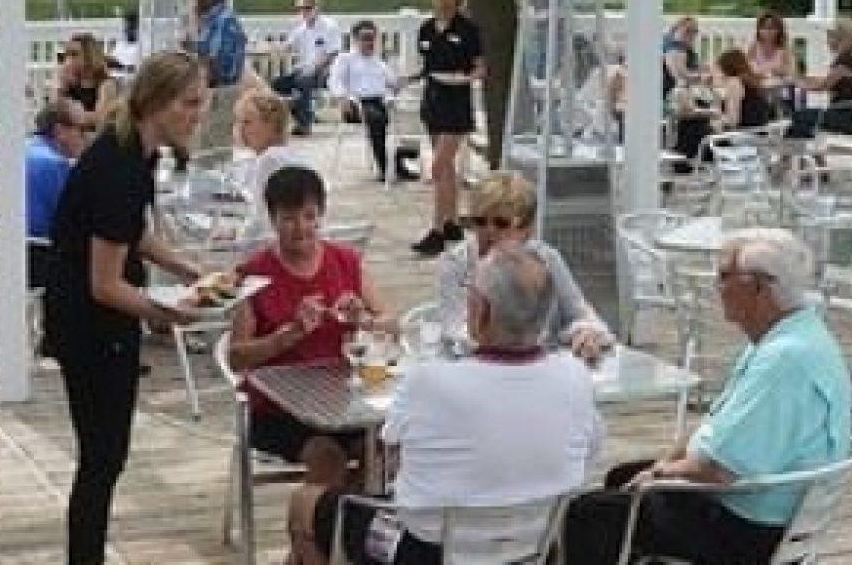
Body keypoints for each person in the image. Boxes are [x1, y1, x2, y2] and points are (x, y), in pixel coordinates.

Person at [289, 246, 602, 565]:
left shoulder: (429, 381)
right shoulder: (576, 379)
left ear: (482, 312)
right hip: (535, 545)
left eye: (471, 294)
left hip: (423, 552)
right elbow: (590, 453)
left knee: (305, 504)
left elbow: (390, 450)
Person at [562, 228, 852, 565]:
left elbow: (719, 470)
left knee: (588, 515)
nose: (716, 287)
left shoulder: (784, 360)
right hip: (759, 498)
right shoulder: (794, 333)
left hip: (750, 525)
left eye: (724, 276)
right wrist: (664, 464)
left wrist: (659, 475)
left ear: (757, 287)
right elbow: (718, 424)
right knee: (620, 480)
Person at [42, 51, 209, 565]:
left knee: (104, 456)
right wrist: (167, 313)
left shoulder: (134, 150)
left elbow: (129, 231)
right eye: (190, 103)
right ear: (156, 103)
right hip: (90, 326)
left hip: (87, 317)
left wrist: (188, 271)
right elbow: (105, 284)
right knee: (102, 457)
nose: (198, 113)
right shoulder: (119, 168)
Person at [229, 165, 395, 467]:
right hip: (277, 408)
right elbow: (236, 357)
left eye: (309, 216)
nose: (300, 228)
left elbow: (392, 324)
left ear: (321, 214)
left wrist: (364, 320)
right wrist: (288, 334)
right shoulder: (254, 274)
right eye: (288, 219)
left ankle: (343, 512)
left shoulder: (346, 261)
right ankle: (332, 509)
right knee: (327, 459)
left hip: (341, 398)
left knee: (388, 451)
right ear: (273, 219)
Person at [439, 171, 612, 356]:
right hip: (480, 364)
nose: (488, 231)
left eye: (501, 223)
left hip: (542, 364)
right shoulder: (457, 261)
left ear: (527, 229)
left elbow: (581, 312)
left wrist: (585, 333)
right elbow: (454, 329)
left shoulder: (546, 259)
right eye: (479, 221)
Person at [0, 97, 85, 289]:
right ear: (60, 131)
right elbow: (73, 223)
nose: (86, 136)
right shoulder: (54, 164)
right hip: (22, 254)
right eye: (82, 129)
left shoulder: (22, 147)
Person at [410, 0, 484, 258]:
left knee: (439, 166)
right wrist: (407, 79)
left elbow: (480, 67)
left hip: (456, 105)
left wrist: (466, 78)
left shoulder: (467, 29)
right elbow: (427, 67)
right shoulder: (426, 29)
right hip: (433, 103)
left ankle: (437, 230)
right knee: (447, 170)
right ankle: (452, 222)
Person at [328, 20, 417, 183]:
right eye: (365, 38)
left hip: (380, 103)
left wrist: (405, 81)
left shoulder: (379, 63)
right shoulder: (345, 58)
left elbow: (393, 83)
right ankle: (388, 166)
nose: (369, 42)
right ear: (355, 39)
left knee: (392, 117)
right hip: (355, 104)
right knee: (377, 119)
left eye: (372, 38)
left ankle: (398, 160)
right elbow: (335, 81)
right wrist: (342, 97)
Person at [229, 90, 305, 239]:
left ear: (271, 126)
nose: (239, 128)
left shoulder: (270, 159)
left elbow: (260, 218)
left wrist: (236, 236)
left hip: (277, 244)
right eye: (238, 121)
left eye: (247, 122)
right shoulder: (290, 154)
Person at [272, 0, 342, 136]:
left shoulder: (329, 26)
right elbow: (288, 46)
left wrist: (314, 68)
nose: (304, 11)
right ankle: (301, 116)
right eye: (301, 8)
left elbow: (333, 54)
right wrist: (270, 47)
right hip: (305, 69)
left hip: (327, 70)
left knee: (303, 79)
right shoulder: (301, 28)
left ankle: (305, 124)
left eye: (308, 8)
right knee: (277, 84)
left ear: (318, 8)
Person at [787, 18, 852, 139]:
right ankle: (801, 155)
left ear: (846, 40)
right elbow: (828, 80)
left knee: (800, 117)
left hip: (848, 116)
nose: (829, 41)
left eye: (833, 37)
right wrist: (802, 78)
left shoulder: (845, 61)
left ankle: (790, 155)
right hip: (851, 113)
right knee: (802, 119)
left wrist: (800, 84)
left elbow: (823, 86)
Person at [55, 32, 118, 132]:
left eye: (74, 54)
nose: (68, 60)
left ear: (89, 56)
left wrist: (74, 115)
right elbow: (53, 114)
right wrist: (61, 87)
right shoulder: (69, 83)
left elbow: (101, 119)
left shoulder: (106, 84)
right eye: (67, 55)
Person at [194, 0, 247, 88]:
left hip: (219, 91)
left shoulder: (224, 22)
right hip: (213, 87)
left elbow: (215, 68)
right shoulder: (212, 21)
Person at [745, 11, 795, 83]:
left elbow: (791, 71)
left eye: (772, 28)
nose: (768, 31)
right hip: (756, 85)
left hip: (777, 86)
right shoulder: (753, 47)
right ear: (758, 30)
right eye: (764, 28)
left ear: (779, 30)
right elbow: (746, 68)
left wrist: (776, 72)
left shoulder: (784, 49)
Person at [661, 15, 701, 100]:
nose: (692, 35)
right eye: (688, 31)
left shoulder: (683, 46)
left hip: (682, 85)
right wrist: (699, 77)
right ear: (677, 28)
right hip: (672, 88)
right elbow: (679, 74)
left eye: (694, 32)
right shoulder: (673, 47)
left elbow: (693, 67)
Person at [107, 9, 140, 77]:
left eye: (132, 27)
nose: (127, 30)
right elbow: (111, 62)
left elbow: (135, 68)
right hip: (114, 79)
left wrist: (122, 67)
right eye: (126, 26)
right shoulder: (119, 44)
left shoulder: (141, 47)